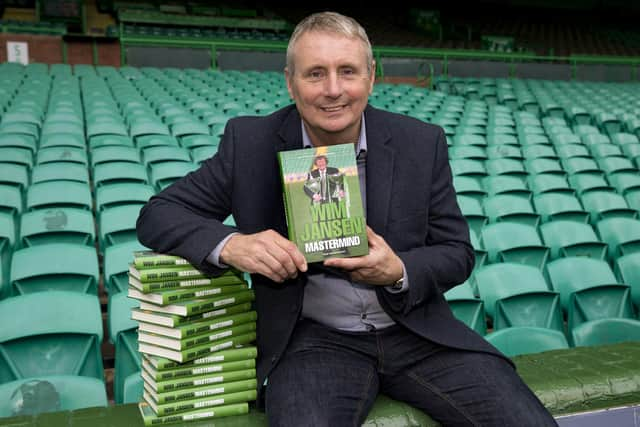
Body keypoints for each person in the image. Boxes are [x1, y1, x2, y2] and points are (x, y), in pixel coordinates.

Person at [136, 11, 558, 427]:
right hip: (313, 340)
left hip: (417, 333)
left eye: (348, 72)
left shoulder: (420, 141)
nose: (333, 90)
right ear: (290, 81)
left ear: (371, 77)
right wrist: (234, 245)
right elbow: (157, 215)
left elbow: (457, 253)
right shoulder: (250, 142)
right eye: (315, 73)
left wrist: (398, 271)